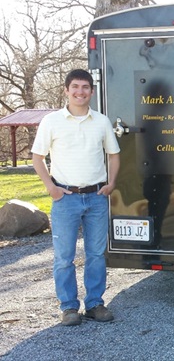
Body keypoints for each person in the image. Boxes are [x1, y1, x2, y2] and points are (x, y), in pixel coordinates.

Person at [31, 69, 120, 326]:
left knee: (95, 254)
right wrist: (51, 187)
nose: (80, 92)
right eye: (75, 87)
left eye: (85, 87)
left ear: (92, 91)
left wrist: (111, 183)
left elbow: (114, 155)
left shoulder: (102, 121)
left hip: (96, 197)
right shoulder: (51, 121)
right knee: (63, 257)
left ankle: (94, 304)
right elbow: (38, 157)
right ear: (66, 90)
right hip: (65, 197)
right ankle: (69, 307)